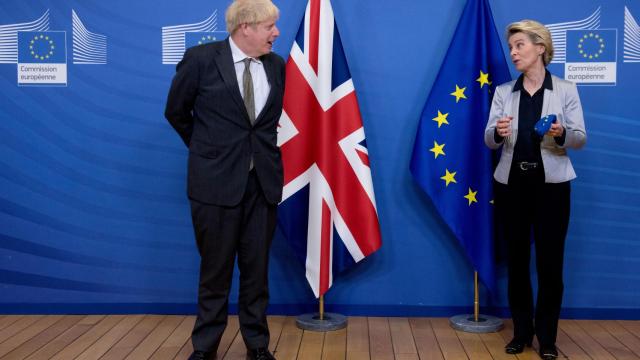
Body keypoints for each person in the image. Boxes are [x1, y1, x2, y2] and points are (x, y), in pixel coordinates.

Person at [164, 0, 285, 359]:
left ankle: (257, 346)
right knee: (214, 273)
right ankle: (205, 348)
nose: (276, 33)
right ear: (245, 26)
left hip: (262, 186)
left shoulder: (277, 66)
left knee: (256, 273)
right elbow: (176, 112)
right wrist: (209, 152)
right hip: (214, 185)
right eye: (269, 27)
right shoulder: (201, 60)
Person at [484, 20, 586, 360]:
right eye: (511, 47)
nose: (513, 52)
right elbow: (488, 139)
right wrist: (497, 133)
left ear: (540, 48)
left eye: (519, 46)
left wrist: (560, 134)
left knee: (550, 264)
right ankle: (521, 333)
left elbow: (580, 138)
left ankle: (547, 339)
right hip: (511, 186)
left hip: (552, 189)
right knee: (517, 263)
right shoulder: (503, 92)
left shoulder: (566, 89)